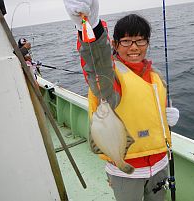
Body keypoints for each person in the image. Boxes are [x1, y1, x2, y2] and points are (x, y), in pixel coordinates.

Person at [64, 0, 180, 200]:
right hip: (126, 170)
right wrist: (90, 26)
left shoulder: (155, 75)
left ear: (148, 43)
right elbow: (96, 63)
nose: (134, 47)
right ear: (115, 44)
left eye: (140, 40)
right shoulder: (111, 76)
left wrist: (167, 115)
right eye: (126, 41)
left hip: (161, 163)